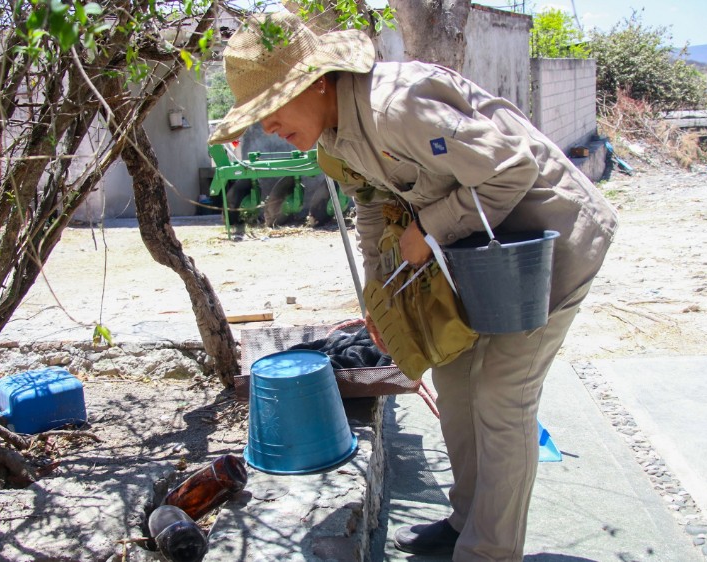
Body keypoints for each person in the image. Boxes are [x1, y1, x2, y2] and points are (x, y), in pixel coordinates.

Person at [209, 11, 617, 562]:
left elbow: (512, 170)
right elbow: (371, 207)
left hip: (547, 241)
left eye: (271, 108)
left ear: (317, 81)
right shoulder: (335, 141)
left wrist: (429, 228)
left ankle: (489, 552)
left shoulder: (395, 106)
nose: (267, 128)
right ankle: (465, 520)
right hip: (477, 253)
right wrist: (379, 296)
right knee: (454, 378)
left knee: (501, 395)